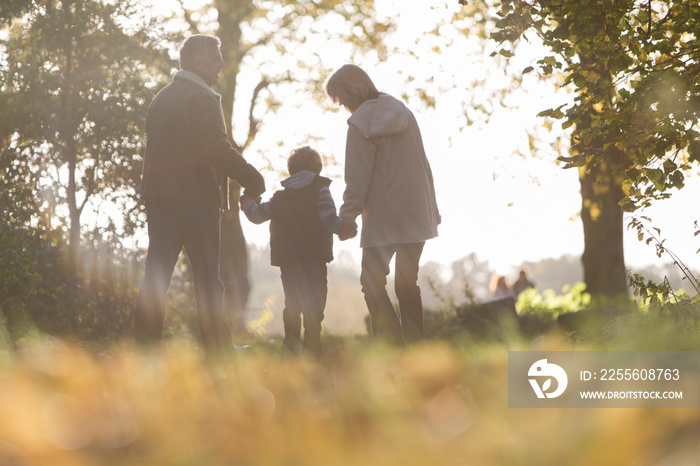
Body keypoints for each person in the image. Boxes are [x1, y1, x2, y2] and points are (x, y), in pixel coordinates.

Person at [134, 35, 265, 359]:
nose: (221, 64)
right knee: (207, 276)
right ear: (195, 61)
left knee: (157, 272)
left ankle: (143, 346)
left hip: (159, 196)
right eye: (215, 58)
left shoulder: (161, 98)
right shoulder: (203, 98)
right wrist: (251, 177)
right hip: (195, 199)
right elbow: (215, 148)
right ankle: (217, 348)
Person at [326, 64, 440, 344]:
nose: (344, 108)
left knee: (371, 282)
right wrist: (432, 208)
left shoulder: (359, 125)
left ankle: (390, 344)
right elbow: (423, 164)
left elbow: (357, 178)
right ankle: (415, 346)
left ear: (348, 94)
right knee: (407, 282)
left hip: (384, 217)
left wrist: (347, 217)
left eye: (341, 101)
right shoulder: (403, 112)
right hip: (416, 210)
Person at [240, 147, 355, 358]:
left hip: (289, 258)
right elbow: (328, 219)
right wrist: (345, 229)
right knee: (316, 297)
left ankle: (291, 344)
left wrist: (246, 203)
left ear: (290, 171)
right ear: (318, 168)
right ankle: (312, 343)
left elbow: (257, 215)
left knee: (292, 300)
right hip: (315, 256)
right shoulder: (320, 190)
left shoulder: (280, 197)